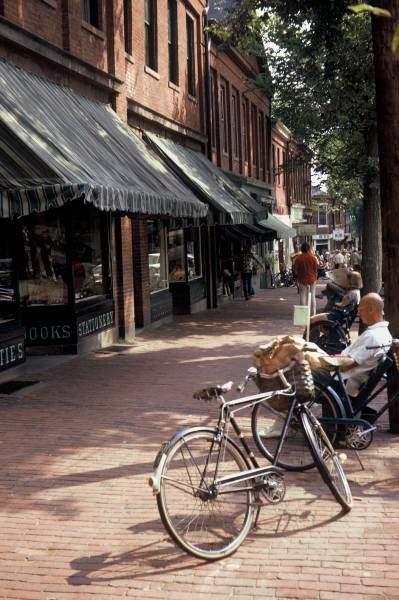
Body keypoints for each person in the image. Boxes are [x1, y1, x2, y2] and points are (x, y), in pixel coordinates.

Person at [312, 292, 392, 400]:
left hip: (341, 382)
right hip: (348, 379)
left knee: (298, 374)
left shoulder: (373, 337)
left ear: (371, 309)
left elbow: (349, 363)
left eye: (361, 309)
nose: (358, 313)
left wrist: (323, 361)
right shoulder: (383, 333)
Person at [293, 242, 319, 316]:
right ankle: (313, 314)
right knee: (313, 296)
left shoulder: (299, 258)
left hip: (302, 279)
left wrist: (299, 274)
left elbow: (295, 270)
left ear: (302, 249)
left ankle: (303, 315)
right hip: (312, 279)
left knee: (303, 296)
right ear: (309, 248)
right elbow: (316, 269)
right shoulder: (313, 257)